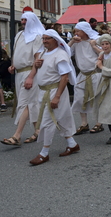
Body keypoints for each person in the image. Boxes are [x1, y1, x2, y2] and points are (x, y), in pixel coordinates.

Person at [29, 29, 78, 166]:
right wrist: (37, 65)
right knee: (61, 118)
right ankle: (72, 144)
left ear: (55, 39)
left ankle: (44, 153)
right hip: (44, 92)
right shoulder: (44, 52)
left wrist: (57, 97)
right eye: (43, 38)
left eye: (47, 38)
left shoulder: (60, 55)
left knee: (47, 121)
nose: (44, 41)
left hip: (55, 92)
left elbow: (64, 77)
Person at [0, 12, 44, 146]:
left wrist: (31, 76)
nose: (23, 22)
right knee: (30, 103)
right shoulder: (19, 35)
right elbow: (16, 53)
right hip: (19, 74)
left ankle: (17, 135)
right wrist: (13, 65)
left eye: (26, 20)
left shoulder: (37, 36)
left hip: (30, 73)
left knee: (24, 104)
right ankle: (38, 131)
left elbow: (38, 58)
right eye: (22, 20)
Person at [68, 22, 103, 135]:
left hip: (95, 73)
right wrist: (72, 41)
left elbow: (105, 54)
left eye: (78, 31)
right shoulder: (76, 42)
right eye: (75, 31)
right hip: (82, 74)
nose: (76, 33)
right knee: (79, 98)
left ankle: (99, 123)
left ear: (85, 31)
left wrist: (94, 46)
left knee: (97, 98)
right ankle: (84, 124)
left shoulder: (96, 39)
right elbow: (65, 52)